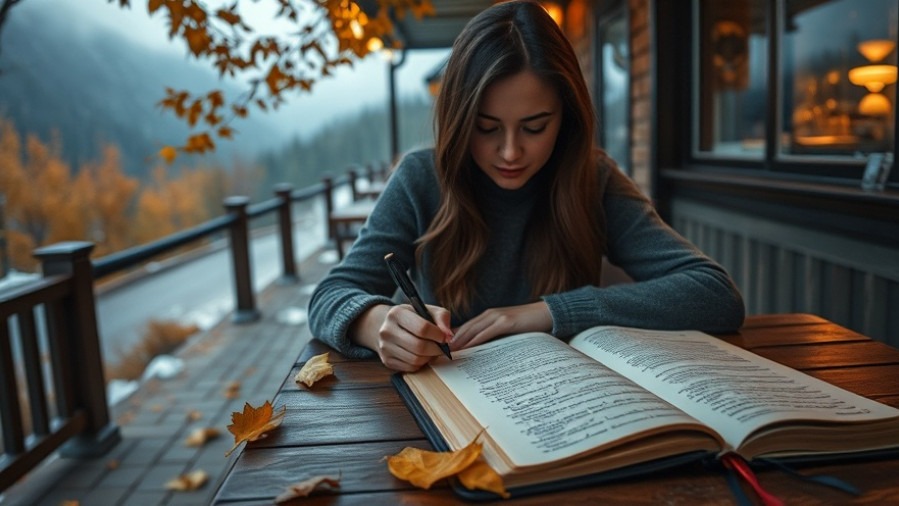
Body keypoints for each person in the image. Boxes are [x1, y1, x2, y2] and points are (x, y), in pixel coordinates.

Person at [309, 0, 744, 372]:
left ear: (566, 116)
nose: (510, 152)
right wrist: (376, 322)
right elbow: (329, 296)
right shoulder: (421, 178)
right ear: (459, 120)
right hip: (451, 403)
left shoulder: (592, 178)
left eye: (535, 127)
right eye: (486, 128)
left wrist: (550, 312)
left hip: (574, 401)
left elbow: (714, 293)